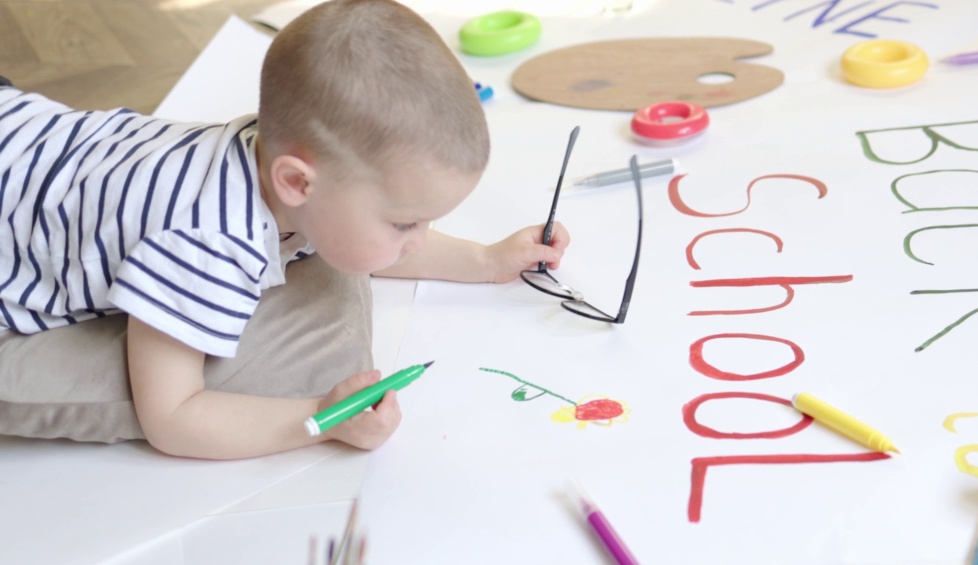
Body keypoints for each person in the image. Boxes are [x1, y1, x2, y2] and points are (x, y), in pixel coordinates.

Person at [0, 0, 569, 459]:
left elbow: (361, 239)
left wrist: (485, 261)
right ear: (298, 182)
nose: (416, 241)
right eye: (405, 222)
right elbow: (172, 418)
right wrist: (319, 419)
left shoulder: (286, 168)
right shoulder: (207, 242)